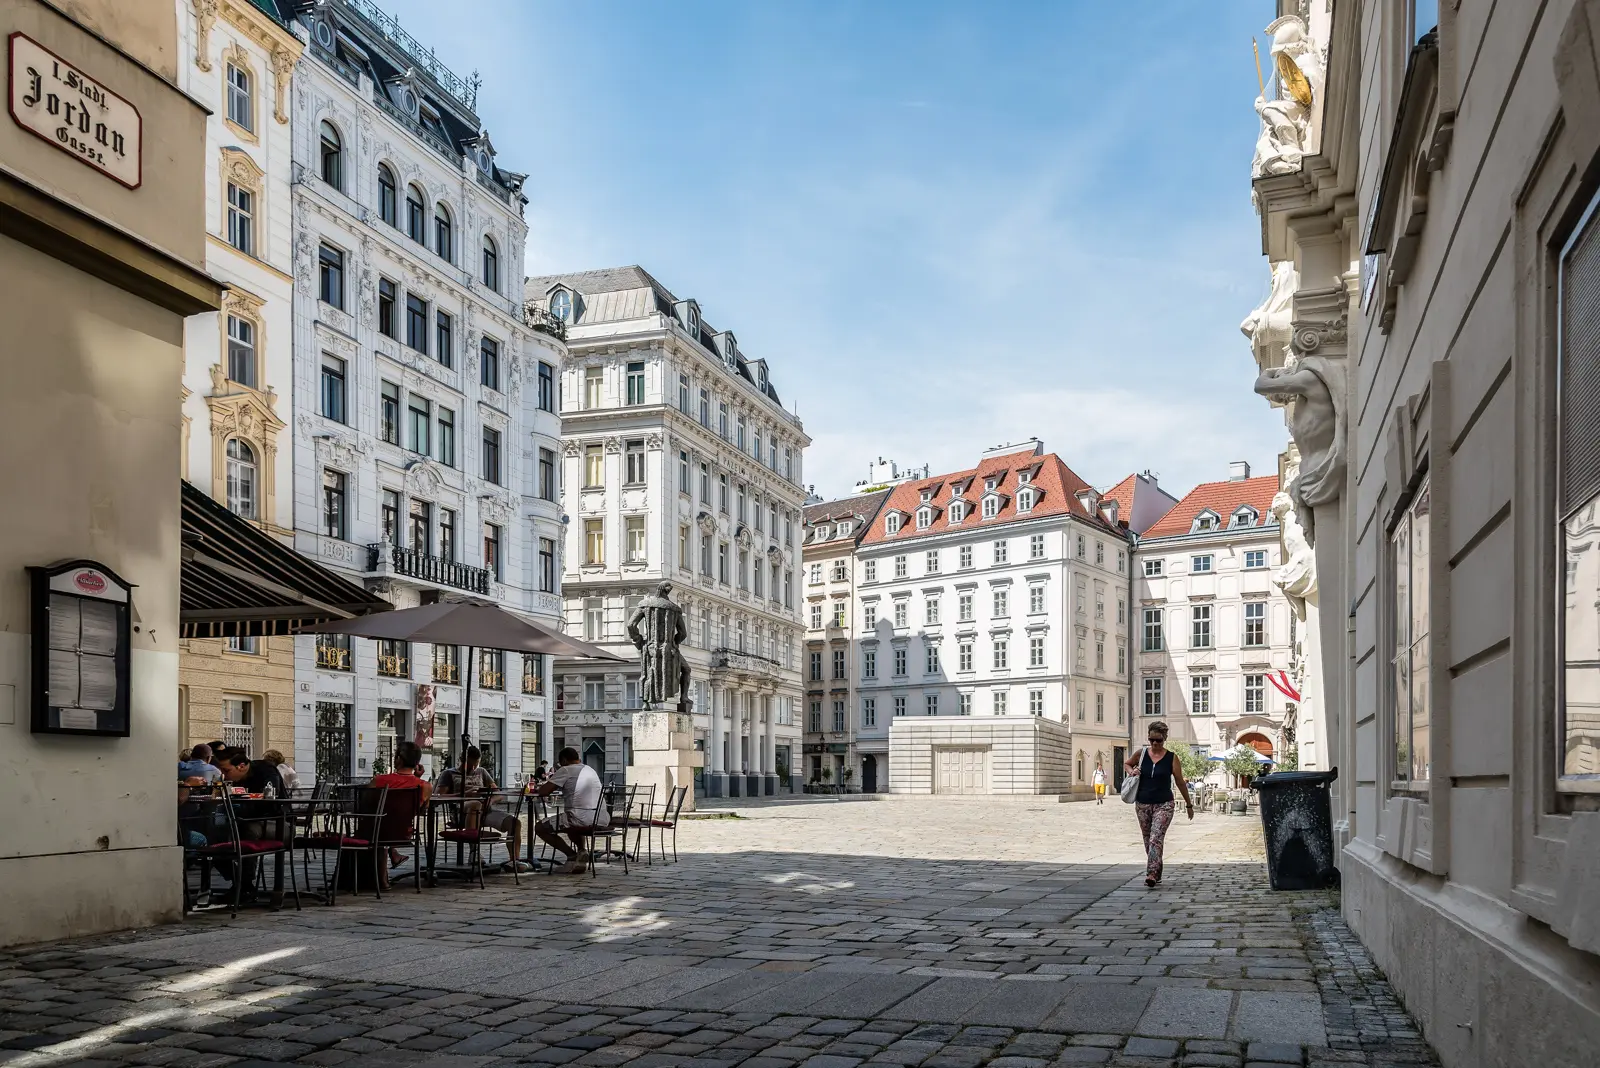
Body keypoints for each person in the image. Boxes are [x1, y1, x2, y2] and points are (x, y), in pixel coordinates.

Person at [1123, 721, 1194, 888]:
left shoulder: (1172, 758)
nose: (1155, 743)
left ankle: (1152, 874)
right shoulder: (1141, 754)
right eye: (1151, 739)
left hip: (1164, 804)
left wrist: (1189, 805)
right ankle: (1156, 870)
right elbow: (1127, 764)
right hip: (1142, 804)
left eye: (1158, 740)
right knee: (1148, 839)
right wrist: (1131, 771)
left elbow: (1180, 782)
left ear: (1164, 739)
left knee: (1156, 837)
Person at [436, 746, 524, 873]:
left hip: (485, 811)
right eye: (470, 765)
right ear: (461, 759)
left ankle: (514, 860)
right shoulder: (449, 773)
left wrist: (491, 800)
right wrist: (465, 794)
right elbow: (439, 796)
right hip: (461, 812)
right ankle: (474, 852)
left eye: (475, 765)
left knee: (515, 823)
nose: (472, 768)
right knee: (474, 805)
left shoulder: (482, 772)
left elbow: (497, 793)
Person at [533, 746, 611, 875]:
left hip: (578, 817)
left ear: (563, 760)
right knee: (570, 822)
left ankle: (571, 856)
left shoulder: (566, 770)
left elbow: (544, 791)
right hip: (601, 816)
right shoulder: (590, 769)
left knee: (540, 828)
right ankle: (582, 851)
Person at [370, 741, 432, 872]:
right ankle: (391, 859)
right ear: (416, 763)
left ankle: (380, 874)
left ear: (398, 759)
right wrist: (415, 778)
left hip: (374, 832)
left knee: (380, 821)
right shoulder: (424, 786)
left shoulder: (379, 780)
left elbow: (365, 804)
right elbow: (422, 811)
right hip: (404, 833)